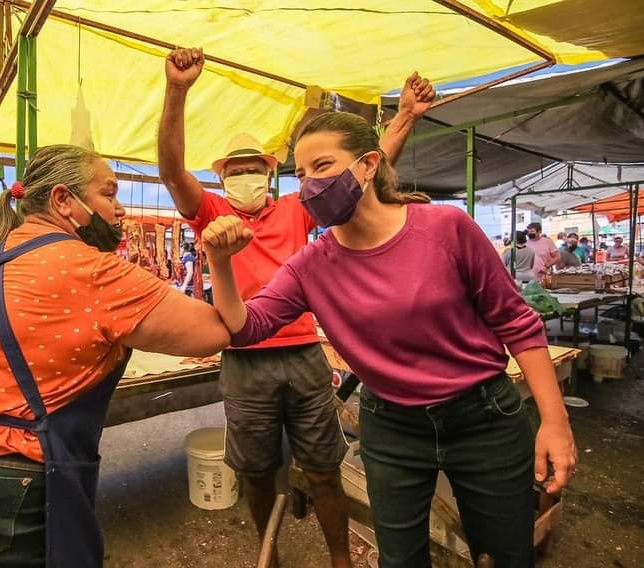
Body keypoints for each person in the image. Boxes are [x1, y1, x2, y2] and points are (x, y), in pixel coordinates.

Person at [202, 111, 577, 567]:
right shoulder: (310, 266)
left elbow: (516, 321)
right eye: (300, 174)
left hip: (483, 419)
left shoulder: (445, 228)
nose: (309, 184)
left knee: (504, 556)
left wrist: (555, 421)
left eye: (322, 166)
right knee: (399, 559)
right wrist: (219, 262)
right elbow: (246, 326)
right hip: (392, 427)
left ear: (368, 164)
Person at [0, 146, 231, 568]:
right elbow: (216, 332)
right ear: (63, 199)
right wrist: (221, 261)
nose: (120, 209)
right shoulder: (93, 270)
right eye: (109, 194)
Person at [158, 46, 435, 568]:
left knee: (324, 469)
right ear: (223, 179)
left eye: (253, 169)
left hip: (305, 355)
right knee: (257, 472)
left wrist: (404, 118)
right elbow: (172, 171)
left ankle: (340, 560)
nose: (245, 178)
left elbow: (363, 174)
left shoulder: (296, 208)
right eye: (235, 171)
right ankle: (272, 557)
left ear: (268, 173)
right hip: (244, 361)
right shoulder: (212, 212)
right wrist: (176, 91)